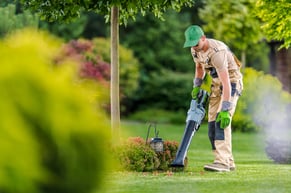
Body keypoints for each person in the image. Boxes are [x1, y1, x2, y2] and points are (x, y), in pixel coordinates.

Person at [183, 25, 243, 172]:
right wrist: (197, 85)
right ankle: (228, 161)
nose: (194, 48)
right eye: (191, 45)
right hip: (216, 86)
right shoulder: (195, 49)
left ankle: (222, 162)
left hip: (231, 83)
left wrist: (225, 108)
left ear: (203, 38)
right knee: (211, 126)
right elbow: (199, 68)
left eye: (196, 44)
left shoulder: (217, 52)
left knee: (221, 121)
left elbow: (227, 83)